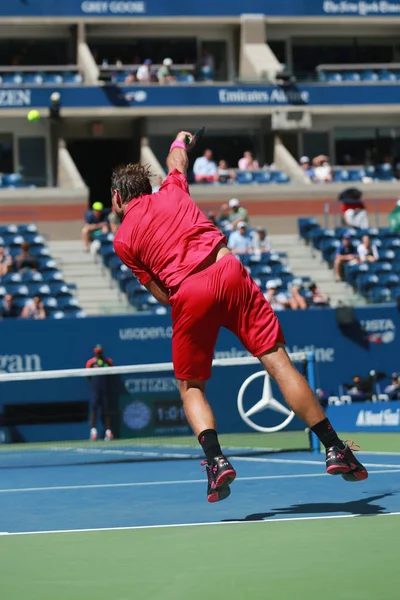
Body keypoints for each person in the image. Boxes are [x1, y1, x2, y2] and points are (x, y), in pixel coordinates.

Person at [112, 130, 368, 503]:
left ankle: (216, 461)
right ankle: (335, 448)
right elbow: (177, 161)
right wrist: (181, 140)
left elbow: (162, 295)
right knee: (279, 364)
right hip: (228, 269)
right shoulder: (172, 189)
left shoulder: (123, 241)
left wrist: (192, 295)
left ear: (118, 198)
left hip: (187, 292)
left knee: (192, 388)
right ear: (146, 187)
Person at [86, 344, 114, 441]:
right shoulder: (90, 363)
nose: (99, 353)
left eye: (100, 352)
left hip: (105, 390)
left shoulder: (108, 362)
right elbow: (88, 377)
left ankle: (108, 432)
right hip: (95, 390)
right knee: (94, 409)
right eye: (97, 352)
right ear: (94, 352)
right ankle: (93, 432)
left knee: (106, 410)